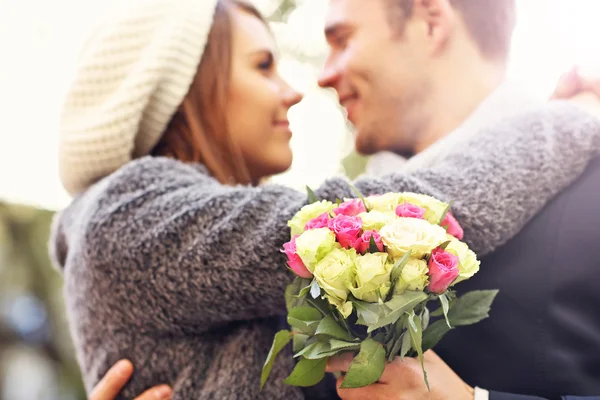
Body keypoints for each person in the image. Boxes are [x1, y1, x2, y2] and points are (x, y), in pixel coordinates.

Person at [50, 0, 600, 399]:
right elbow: (383, 218)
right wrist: (567, 121)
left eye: (343, 39)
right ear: (186, 87)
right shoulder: (127, 215)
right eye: (263, 66)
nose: (299, 89)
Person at [316, 0, 600, 398]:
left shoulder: (592, 180)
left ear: (432, 23)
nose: (323, 75)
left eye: (343, 39)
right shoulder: (347, 223)